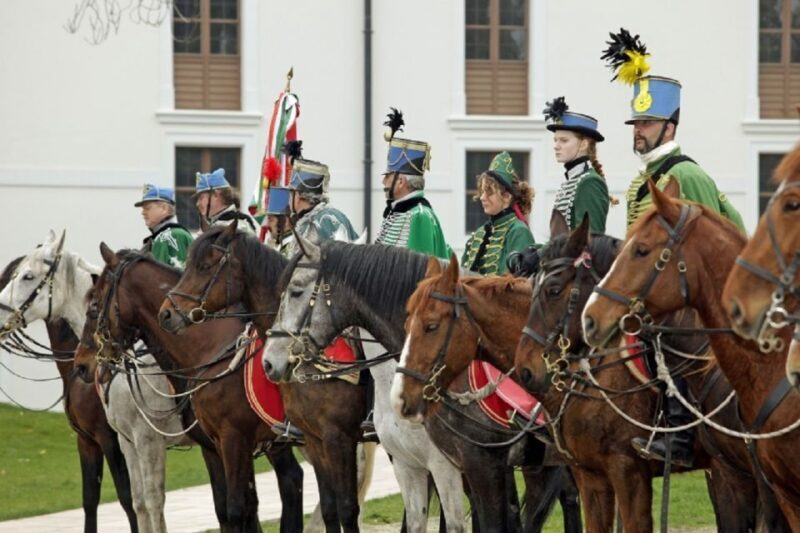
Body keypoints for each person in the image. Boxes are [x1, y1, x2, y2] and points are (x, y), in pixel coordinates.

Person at [602, 28, 746, 468]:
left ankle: (681, 436)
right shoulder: (642, 180)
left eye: (645, 124)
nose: (637, 132)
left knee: (668, 334)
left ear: (670, 126)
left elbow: (707, 248)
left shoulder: (686, 174)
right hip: (654, 287)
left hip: (705, 295)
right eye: (635, 124)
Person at [270, 141, 361, 445]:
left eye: (293, 194)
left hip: (337, 305)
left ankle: (369, 407)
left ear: (300, 195)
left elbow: (341, 266)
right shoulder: (306, 221)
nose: (290, 200)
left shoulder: (327, 219)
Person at [375, 108, 450, 259]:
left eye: (388, 176)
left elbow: (418, 272)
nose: (383, 182)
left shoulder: (420, 216)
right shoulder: (400, 212)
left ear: (401, 182)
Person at [545, 96, 611, 235]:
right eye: (555, 140)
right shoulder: (571, 182)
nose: (556, 146)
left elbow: (590, 241)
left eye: (563, 140)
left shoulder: (589, 182)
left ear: (584, 144)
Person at [461, 151, 535, 275]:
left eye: (489, 192)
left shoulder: (518, 231)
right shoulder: (480, 233)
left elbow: (517, 285)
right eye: (482, 191)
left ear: (507, 197)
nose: (482, 197)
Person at [136, 184, 193, 269]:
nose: (143, 213)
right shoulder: (161, 236)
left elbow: (178, 277)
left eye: (147, 208)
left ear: (164, 208)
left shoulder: (174, 235)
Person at [194, 168, 258, 233]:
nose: (198, 204)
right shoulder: (211, 226)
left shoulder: (239, 228)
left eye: (201, 198)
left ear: (216, 195)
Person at [264, 186, 294, 255]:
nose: (267, 225)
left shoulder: (292, 248)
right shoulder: (282, 246)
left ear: (286, 221)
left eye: (271, 220)